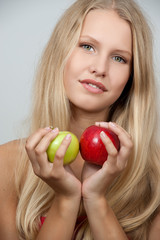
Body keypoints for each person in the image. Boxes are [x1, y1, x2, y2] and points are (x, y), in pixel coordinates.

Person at [0, 0, 160, 239]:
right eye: (87, 46)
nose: (99, 68)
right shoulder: (6, 163)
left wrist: (96, 199)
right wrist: (67, 198)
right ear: (60, 53)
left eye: (119, 58)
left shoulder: (155, 174)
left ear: (132, 78)